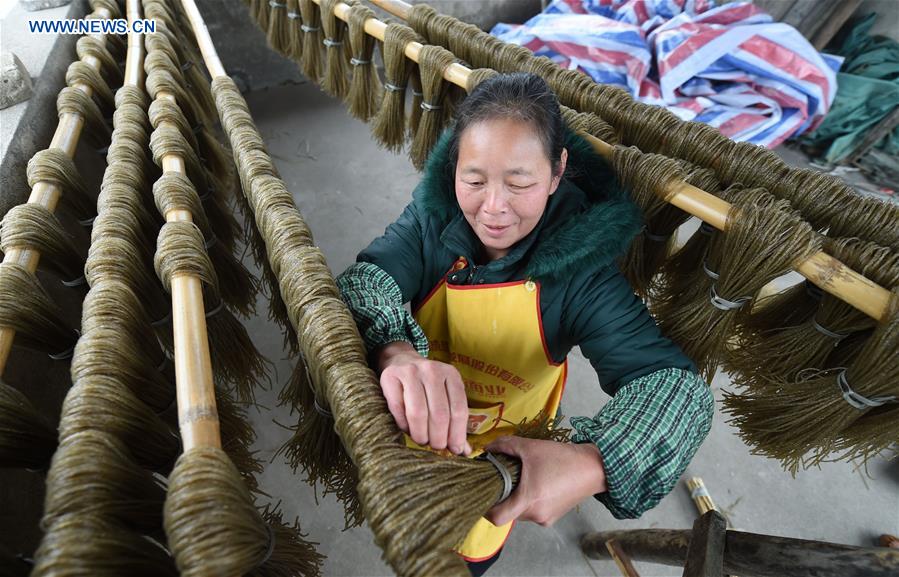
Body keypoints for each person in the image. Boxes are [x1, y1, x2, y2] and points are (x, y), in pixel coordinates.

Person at [336, 72, 714, 575]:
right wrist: (396, 351)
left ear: (557, 173)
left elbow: (677, 390)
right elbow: (367, 279)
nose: (493, 208)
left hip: (497, 463)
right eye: (474, 180)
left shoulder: (582, 277)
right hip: (408, 429)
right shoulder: (432, 220)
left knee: (462, 552)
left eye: (519, 184)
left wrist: (592, 461)